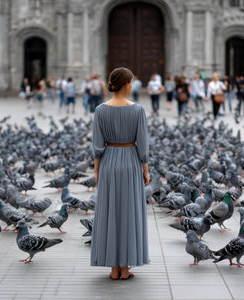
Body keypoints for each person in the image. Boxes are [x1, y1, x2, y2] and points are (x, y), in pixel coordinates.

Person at [91, 67, 149, 280]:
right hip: (131, 161)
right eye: (131, 82)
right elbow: (142, 145)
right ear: (127, 85)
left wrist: (97, 168)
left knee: (109, 213)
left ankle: (113, 268)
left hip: (108, 161)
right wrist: (145, 169)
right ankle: (125, 268)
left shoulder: (100, 110)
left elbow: (97, 145)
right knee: (128, 214)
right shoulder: (137, 110)